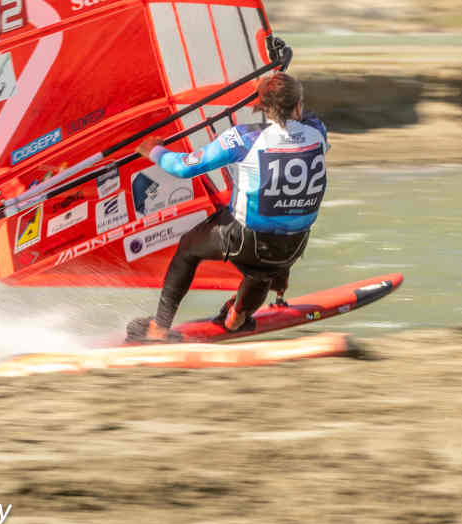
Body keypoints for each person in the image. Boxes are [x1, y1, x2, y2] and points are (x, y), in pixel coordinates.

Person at [128, 70, 329, 342]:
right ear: (298, 105)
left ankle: (159, 328)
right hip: (293, 248)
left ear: (261, 107)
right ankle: (236, 318)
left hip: (246, 241)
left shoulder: (245, 138)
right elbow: (296, 128)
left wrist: (153, 150)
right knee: (262, 268)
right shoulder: (318, 131)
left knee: (188, 248)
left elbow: (183, 167)